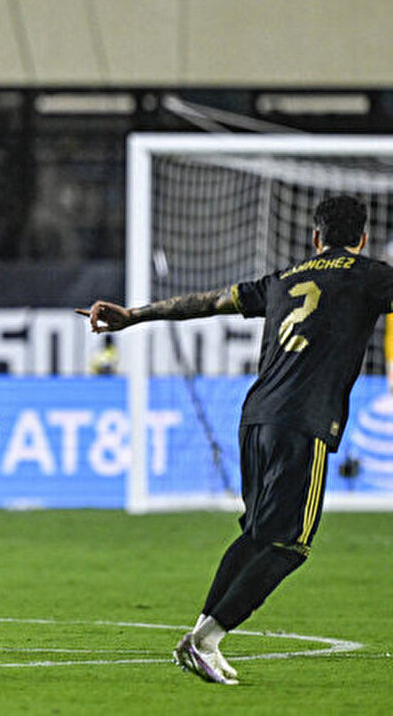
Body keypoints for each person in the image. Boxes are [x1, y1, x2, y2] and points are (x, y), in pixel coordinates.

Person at [77, 194, 393, 685]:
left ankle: (200, 637)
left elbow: (207, 303)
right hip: (303, 420)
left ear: (315, 237)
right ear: (363, 239)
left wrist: (134, 315)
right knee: (291, 544)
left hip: (256, 418)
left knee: (257, 535)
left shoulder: (284, 279)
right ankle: (209, 638)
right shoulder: (371, 275)